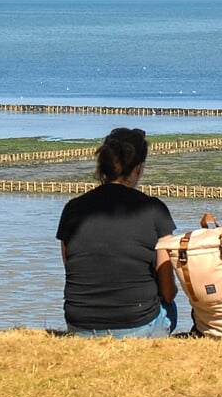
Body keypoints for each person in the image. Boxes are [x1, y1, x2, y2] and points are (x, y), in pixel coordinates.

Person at [56, 127, 178, 337]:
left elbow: (71, 266)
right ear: (138, 169)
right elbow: (167, 291)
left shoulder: (72, 209)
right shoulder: (155, 210)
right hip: (138, 324)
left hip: (80, 324)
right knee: (170, 308)